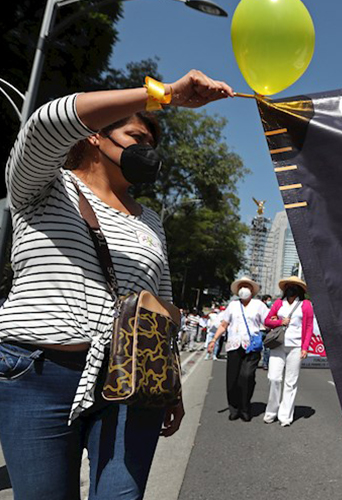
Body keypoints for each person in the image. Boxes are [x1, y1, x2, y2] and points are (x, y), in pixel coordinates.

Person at [0, 69, 233, 499]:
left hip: (132, 380)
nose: (146, 149)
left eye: (151, 143)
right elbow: (45, 122)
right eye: (134, 136)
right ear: (93, 136)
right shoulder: (43, 187)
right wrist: (162, 96)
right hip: (37, 374)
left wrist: (170, 383)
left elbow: (163, 311)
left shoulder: (152, 223)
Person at [207, 277, 268, 422]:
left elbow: (268, 321)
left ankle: (245, 407)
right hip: (234, 345)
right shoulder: (233, 305)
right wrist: (214, 340)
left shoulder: (259, 305)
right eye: (241, 286)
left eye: (247, 286)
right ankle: (234, 408)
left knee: (247, 376)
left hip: (252, 346)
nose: (244, 289)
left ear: (252, 290)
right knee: (233, 378)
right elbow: (224, 324)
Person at [263, 276, 315, 426]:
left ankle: (285, 416)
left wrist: (305, 348)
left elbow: (309, 327)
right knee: (274, 378)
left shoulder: (305, 305)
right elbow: (267, 321)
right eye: (288, 285)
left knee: (291, 382)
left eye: (294, 285)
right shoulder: (279, 303)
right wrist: (280, 322)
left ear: (299, 289)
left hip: (296, 347)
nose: (291, 288)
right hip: (278, 344)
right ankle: (271, 411)